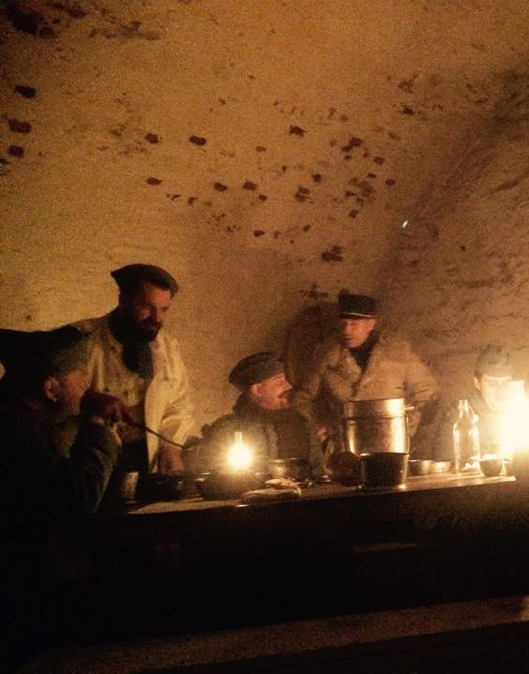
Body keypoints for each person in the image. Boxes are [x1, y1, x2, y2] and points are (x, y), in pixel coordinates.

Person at [0, 326, 128, 669]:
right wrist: (101, 435)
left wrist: (88, 411)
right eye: (79, 379)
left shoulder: (20, 418)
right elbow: (76, 499)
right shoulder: (16, 431)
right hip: (15, 592)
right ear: (50, 389)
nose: (87, 386)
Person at [73, 264, 195, 476]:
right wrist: (90, 400)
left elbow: (178, 405)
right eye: (147, 307)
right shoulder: (82, 340)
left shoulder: (167, 348)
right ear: (123, 300)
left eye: (164, 309)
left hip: (147, 462)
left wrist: (171, 447)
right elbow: (50, 399)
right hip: (91, 462)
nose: (156, 318)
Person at [289, 291, 439, 458]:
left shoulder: (398, 355)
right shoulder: (325, 358)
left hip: (391, 447)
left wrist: (408, 425)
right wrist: (319, 426)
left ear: (370, 324)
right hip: (344, 453)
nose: (347, 330)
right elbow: (301, 398)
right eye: (344, 323)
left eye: (354, 324)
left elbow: (428, 393)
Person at [194, 352, 324, 480]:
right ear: (257, 390)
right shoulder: (225, 431)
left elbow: (319, 475)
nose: (288, 386)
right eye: (279, 381)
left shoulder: (303, 427)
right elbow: (214, 478)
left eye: (286, 379)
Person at [433, 345, 513, 464]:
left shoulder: (520, 413)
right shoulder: (459, 418)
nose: (500, 392)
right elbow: (445, 464)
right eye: (492, 383)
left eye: (505, 383)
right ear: (477, 383)